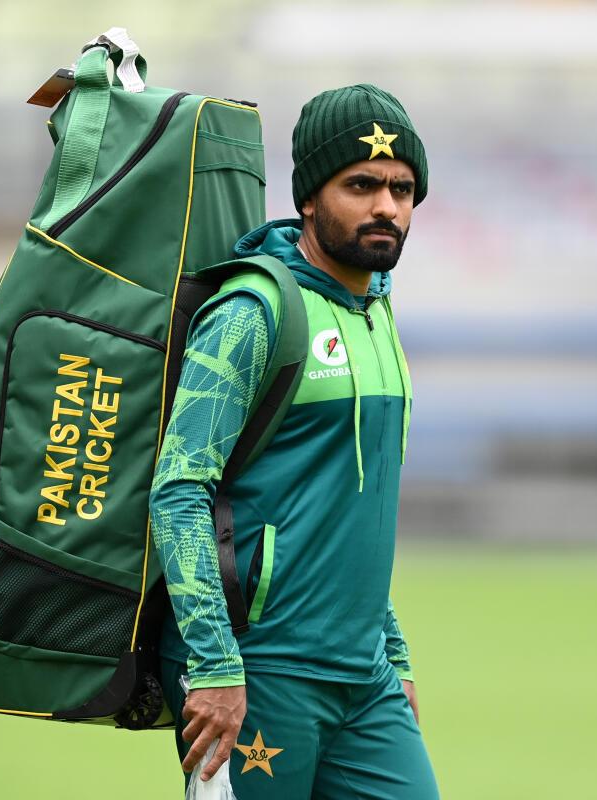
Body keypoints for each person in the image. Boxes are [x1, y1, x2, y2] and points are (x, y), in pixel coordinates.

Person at [149, 83, 438, 799]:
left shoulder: (377, 308)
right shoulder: (255, 311)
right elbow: (179, 490)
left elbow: (353, 506)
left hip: (363, 679)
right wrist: (215, 666)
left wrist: (393, 655)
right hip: (261, 672)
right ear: (309, 196)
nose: (386, 207)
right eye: (361, 184)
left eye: (403, 189)